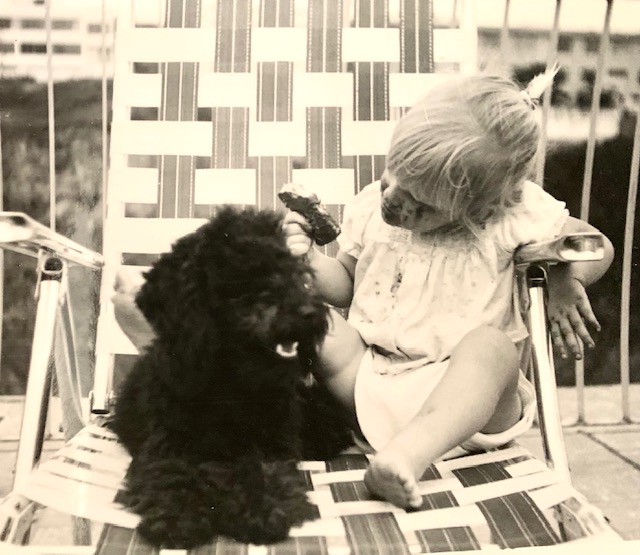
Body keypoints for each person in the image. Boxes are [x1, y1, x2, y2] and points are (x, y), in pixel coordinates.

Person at [113, 72, 613, 511]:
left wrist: (564, 278)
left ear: (485, 204)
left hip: (466, 410)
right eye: (391, 178)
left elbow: (597, 246)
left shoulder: (514, 214)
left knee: (492, 347)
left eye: (420, 204)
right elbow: (345, 284)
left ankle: (406, 457)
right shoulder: (374, 207)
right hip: (368, 378)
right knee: (303, 314)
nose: (395, 202)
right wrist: (309, 262)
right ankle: (180, 349)